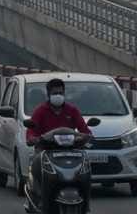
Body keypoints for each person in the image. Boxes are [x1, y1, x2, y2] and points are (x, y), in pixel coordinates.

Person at [25, 78, 91, 212]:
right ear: (48, 94)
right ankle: (40, 201)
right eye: (55, 93)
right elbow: (31, 133)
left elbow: (85, 130)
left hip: (71, 152)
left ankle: (86, 205)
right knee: (37, 167)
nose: (58, 96)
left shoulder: (72, 110)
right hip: (45, 151)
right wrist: (34, 139)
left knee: (86, 170)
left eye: (60, 93)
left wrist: (85, 137)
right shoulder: (40, 111)